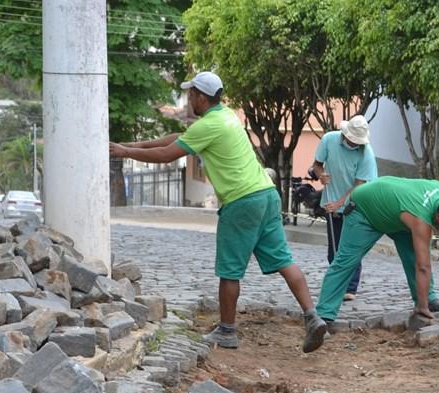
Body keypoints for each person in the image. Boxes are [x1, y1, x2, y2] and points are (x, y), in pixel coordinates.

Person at [109, 71, 327, 353]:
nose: (188, 100)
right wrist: (133, 146)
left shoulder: (209, 125)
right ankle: (312, 317)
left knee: (230, 271)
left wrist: (126, 152)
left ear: (201, 96)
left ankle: (227, 331)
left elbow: (168, 153)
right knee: (285, 261)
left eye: (191, 95)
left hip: (242, 201)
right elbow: (179, 138)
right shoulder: (226, 118)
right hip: (266, 194)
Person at [309, 176, 439, 351]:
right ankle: (323, 316)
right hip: (364, 210)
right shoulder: (420, 219)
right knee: (346, 261)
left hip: (396, 215)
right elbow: (423, 267)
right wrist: (421, 311)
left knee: (413, 255)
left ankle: (428, 299)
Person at [311, 115, 377, 301]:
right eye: (352, 140)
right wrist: (321, 175)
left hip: (358, 203)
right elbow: (317, 164)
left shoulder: (366, 153)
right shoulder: (329, 139)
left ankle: (351, 287)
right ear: (345, 134)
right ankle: (337, 283)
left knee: (351, 247)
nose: (355, 144)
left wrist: (340, 203)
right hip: (332, 201)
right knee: (335, 248)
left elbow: (359, 185)